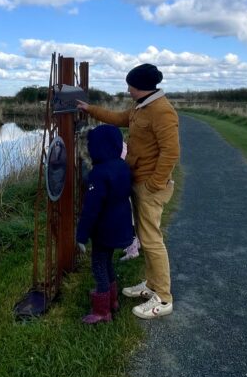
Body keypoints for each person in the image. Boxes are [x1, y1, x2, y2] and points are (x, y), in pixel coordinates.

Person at [77, 63, 179, 319]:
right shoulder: (141, 106)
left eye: (130, 85)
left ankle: (164, 298)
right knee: (145, 237)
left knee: (151, 240)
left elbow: (171, 152)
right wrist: (90, 109)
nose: (128, 89)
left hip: (149, 185)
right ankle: (151, 285)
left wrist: (155, 183)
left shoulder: (162, 111)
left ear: (140, 86)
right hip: (139, 179)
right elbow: (119, 119)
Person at [76, 124, 135, 324]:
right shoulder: (122, 166)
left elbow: (91, 210)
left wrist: (82, 236)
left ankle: (102, 311)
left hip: (104, 231)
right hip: (121, 226)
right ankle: (113, 300)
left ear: (98, 147)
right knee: (107, 262)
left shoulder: (98, 174)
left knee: (99, 266)